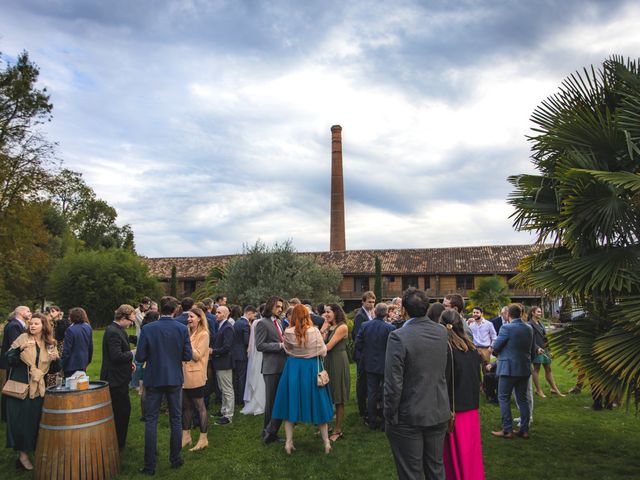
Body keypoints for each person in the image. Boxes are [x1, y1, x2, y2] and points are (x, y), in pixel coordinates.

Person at [384, 288, 450, 480]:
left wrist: (389, 414)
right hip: (437, 410)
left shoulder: (398, 336)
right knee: (435, 469)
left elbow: (393, 382)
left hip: (408, 415)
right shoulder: (441, 332)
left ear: (403, 309)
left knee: (411, 472)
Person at [135, 296, 192, 475]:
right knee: (175, 418)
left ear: (159, 309)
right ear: (175, 310)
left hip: (154, 378)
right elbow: (187, 355)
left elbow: (140, 357)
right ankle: (175, 459)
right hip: (174, 378)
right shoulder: (182, 328)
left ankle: (149, 465)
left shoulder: (148, 328)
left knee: (151, 420)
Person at [272, 305, 334, 454]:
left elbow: (286, 350)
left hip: (293, 368)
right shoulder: (314, 332)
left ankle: (288, 443)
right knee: (318, 402)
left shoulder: (288, 331)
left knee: (290, 403)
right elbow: (323, 351)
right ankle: (326, 443)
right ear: (307, 316)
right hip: (312, 368)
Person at [5, 313, 61, 471]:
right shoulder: (22, 338)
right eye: (31, 323)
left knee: (35, 422)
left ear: (44, 325)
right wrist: (18, 350)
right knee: (21, 423)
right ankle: (22, 456)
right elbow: (9, 359)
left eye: (37, 323)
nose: (33, 325)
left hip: (38, 389)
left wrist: (56, 359)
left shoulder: (49, 343)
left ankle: (35, 450)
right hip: (21, 387)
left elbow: (54, 370)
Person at [440, 309, 485, 480]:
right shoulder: (473, 349)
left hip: (455, 409)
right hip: (471, 407)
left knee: (454, 455)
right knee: (470, 453)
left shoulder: (447, 350)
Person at [491, 303, 536, 440]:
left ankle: (507, 430)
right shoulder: (529, 328)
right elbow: (532, 349)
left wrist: (497, 352)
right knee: (522, 399)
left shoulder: (506, 327)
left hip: (508, 368)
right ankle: (524, 429)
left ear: (508, 315)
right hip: (524, 367)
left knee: (503, 397)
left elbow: (496, 346)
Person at [100, 304, 137, 451]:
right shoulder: (113, 332)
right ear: (123, 318)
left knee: (122, 411)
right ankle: (117, 444)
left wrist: (130, 363)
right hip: (115, 379)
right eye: (131, 321)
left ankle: (118, 442)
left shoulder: (118, 329)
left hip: (120, 376)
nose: (131, 323)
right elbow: (116, 356)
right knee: (121, 412)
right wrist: (133, 353)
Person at [355, 302, 394, 430]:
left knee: (371, 393)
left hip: (370, 364)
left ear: (375, 312)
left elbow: (358, 343)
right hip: (385, 364)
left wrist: (365, 354)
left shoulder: (366, 326)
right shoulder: (390, 328)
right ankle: (384, 421)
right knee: (384, 393)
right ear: (386, 314)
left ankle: (372, 421)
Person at [255, 296, 287, 444]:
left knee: (279, 401)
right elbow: (260, 345)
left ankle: (272, 432)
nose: (280, 309)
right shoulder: (262, 323)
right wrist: (280, 346)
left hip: (282, 365)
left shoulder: (279, 322)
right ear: (270, 307)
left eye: (281, 307)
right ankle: (267, 433)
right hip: (271, 368)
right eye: (277, 307)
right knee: (271, 403)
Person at [181, 307, 210, 451]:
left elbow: (197, 355)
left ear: (199, 318)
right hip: (184, 376)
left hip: (196, 375)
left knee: (200, 408)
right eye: (188, 317)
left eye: (192, 316)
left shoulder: (204, 334)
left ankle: (203, 438)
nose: (189, 319)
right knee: (186, 407)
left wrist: (185, 343)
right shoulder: (186, 332)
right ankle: (186, 436)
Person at [321, 303, 350, 442]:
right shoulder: (329, 326)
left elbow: (327, 346)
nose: (326, 314)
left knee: (338, 396)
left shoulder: (342, 327)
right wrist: (323, 329)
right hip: (328, 361)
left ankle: (338, 430)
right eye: (325, 312)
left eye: (329, 312)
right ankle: (329, 426)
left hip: (338, 361)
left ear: (336, 312)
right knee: (328, 395)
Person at [1, 306, 30, 422]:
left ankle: (6, 415)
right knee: (9, 388)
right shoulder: (15, 326)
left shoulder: (17, 325)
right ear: (21, 312)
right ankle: (6, 416)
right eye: (28, 311)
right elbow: (15, 344)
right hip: (9, 362)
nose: (30, 313)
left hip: (10, 361)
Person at [528, 306, 565, 397]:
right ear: (533, 313)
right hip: (537, 350)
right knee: (536, 369)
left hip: (545, 349)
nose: (540, 313)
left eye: (540, 312)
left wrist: (550, 350)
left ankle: (554, 389)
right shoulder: (529, 324)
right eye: (538, 312)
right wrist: (537, 348)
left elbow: (545, 338)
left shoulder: (541, 323)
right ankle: (538, 390)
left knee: (548, 368)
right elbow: (530, 339)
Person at [352, 291, 376, 420]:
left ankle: (366, 405)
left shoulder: (371, 314)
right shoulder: (360, 316)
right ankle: (362, 408)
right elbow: (356, 336)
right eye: (369, 302)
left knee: (366, 382)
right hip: (362, 354)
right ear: (363, 301)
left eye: (373, 302)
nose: (371, 304)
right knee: (361, 382)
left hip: (369, 354)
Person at [210, 305, 234, 425]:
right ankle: (223, 410)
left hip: (224, 362)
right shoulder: (220, 325)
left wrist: (213, 351)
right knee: (222, 388)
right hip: (219, 362)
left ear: (225, 314)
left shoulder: (228, 327)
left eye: (219, 312)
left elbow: (227, 347)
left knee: (227, 389)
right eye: (216, 312)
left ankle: (228, 415)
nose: (216, 314)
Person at [241, 311, 266, 416]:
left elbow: (252, 340)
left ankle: (256, 399)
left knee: (255, 375)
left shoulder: (255, 322)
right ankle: (261, 401)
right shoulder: (262, 323)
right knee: (260, 377)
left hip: (256, 353)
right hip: (262, 352)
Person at [61, 307, 93, 377]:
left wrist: (61, 364)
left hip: (71, 365)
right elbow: (90, 347)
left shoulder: (70, 330)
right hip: (83, 363)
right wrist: (88, 362)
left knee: (71, 386)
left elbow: (67, 350)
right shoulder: (88, 327)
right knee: (81, 385)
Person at [232, 306, 253, 406]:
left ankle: (236, 397)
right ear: (249, 313)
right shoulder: (245, 324)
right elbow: (246, 341)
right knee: (241, 377)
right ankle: (240, 399)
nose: (253, 317)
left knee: (236, 377)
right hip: (242, 354)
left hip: (235, 353)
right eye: (253, 315)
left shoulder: (237, 322)